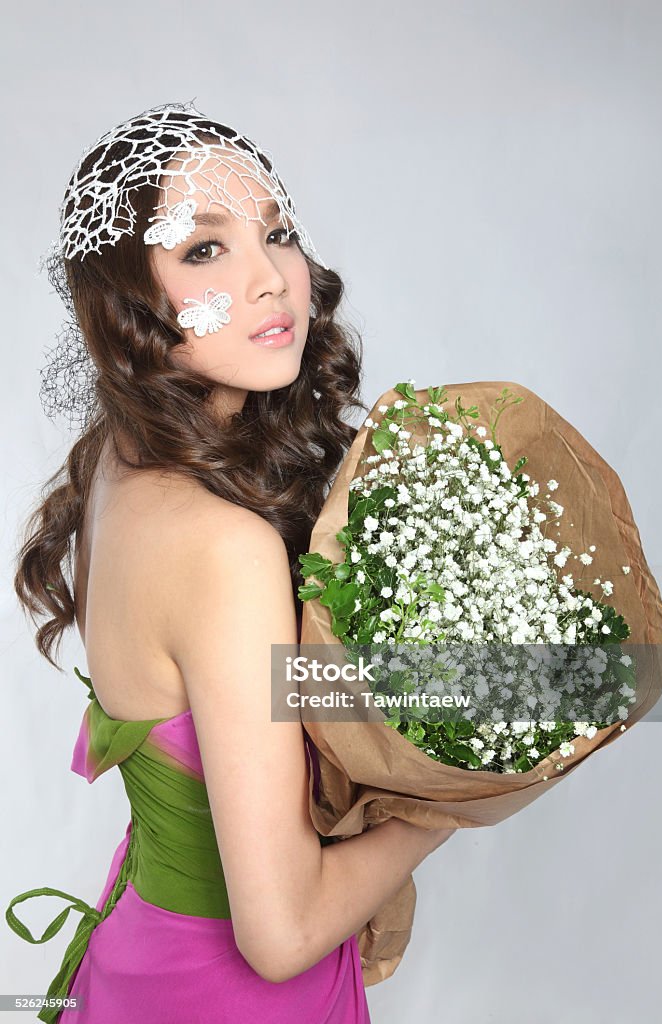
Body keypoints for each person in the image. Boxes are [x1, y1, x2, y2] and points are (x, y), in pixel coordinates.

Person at [5, 102, 456, 1023]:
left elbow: (247, 700)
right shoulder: (223, 545)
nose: (272, 281)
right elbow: (282, 933)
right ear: (130, 297)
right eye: (204, 248)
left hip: (142, 957)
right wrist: (441, 800)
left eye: (278, 233)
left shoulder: (117, 463)